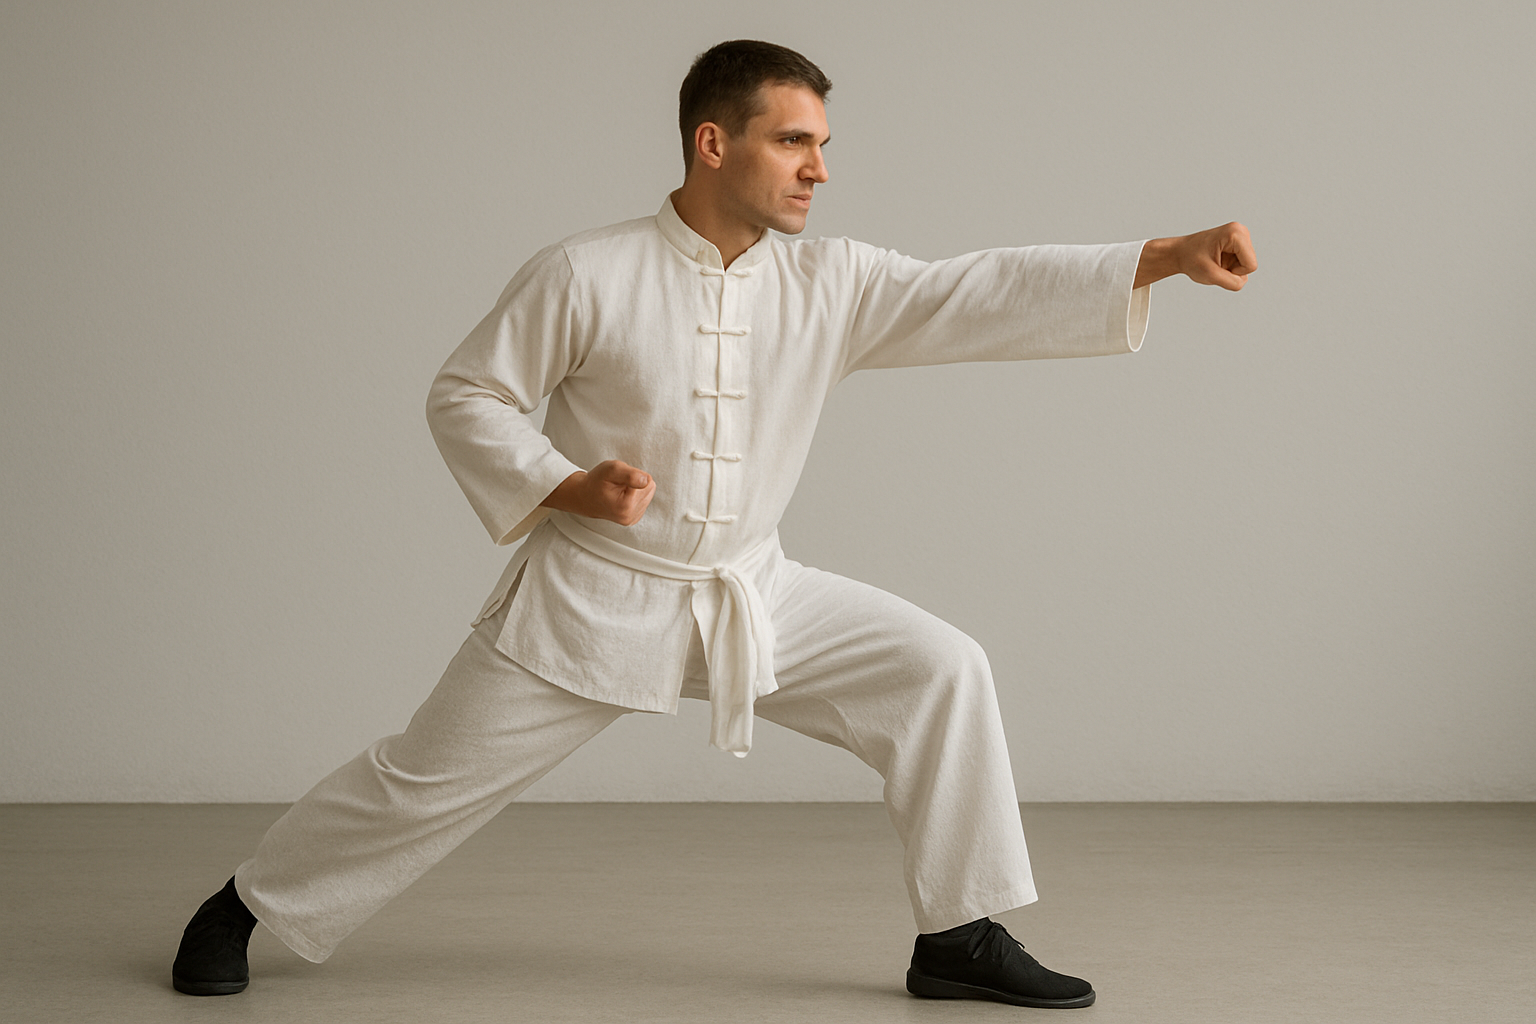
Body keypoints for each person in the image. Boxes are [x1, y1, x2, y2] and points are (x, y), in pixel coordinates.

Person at [171, 39, 1257, 1009]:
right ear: (712, 142)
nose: (819, 169)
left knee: (944, 667)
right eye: (794, 142)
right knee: (424, 777)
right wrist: (564, 484)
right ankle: (243, 906)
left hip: (752, 589)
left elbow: (971, 289)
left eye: (823, 144)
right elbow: (467, 395)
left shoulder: (832, 281)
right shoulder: (585, 271)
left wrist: (1156, 256)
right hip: (589, 597)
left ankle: (957, 933)